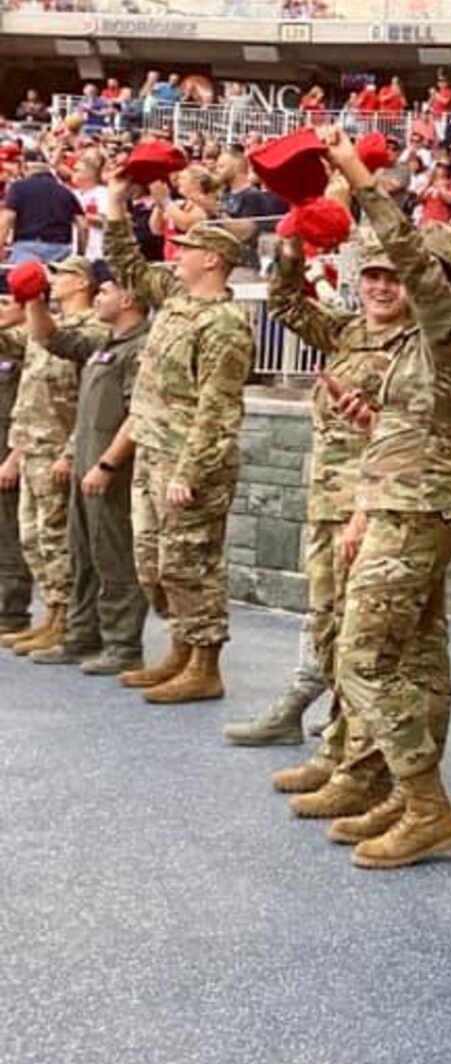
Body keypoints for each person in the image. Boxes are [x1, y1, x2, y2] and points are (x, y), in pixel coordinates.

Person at [304, 129, 451, 869]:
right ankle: (397, 789)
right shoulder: (419, 347)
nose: (398, 281)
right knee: (409, 653)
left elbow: (412, 257)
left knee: (364, 658)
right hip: (399, 500)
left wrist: (357, 176)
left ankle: (426, 807)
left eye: (417, 277)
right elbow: (412, 426)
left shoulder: (450, 337)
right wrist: (370, 429)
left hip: (417, 509)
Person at [253, 209, 410, 814]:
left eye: (393, 278)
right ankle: (334, 748)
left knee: (357, 634)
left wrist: (364, 508)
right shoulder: (348, 332)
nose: (380, 287)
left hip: (368, 506)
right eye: (372, 276)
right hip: (328, 501)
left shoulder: (412, 346)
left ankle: (356, 760)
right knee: (325, 622)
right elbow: (288, 307)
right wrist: (292, 236)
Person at [101, 197, 253, 706]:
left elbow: (218, 406)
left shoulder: (224, 322)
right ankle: (181, 647)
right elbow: (128, 264)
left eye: (187, 248)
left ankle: (205, 664)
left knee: (190, 564)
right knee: (153, 564)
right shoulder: (177, 299)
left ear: (212, 259)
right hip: (153, 451)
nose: (177, 254)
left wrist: (190, 470)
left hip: (190, 462)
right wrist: (116, 204)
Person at [17, 259, 147, 673]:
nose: (100, 297)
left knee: (114, 556)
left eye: (106, 291)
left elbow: (138, 414)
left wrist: (107, 464)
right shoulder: (106, 344)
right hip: (85, 459)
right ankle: (81, 634)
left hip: (109, 468)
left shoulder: (138, 348)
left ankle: (122, 645)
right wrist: (33, 299)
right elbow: (54, 340)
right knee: (82, 554)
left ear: (127, 299)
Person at [0, 256, 99, 659]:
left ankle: (67, 620)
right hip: (33, 446)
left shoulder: (92, 328)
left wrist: (70, 451)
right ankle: (52, 614)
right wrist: (30, 299)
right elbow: (28, 335)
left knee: (58, 540)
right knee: (34, 538)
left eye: (60, 276)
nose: (53, 281)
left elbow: (89, 400)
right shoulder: (47, 326)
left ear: (82, 283)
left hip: (59, 446)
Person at [0, 295, 33, 637]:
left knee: (11, 533)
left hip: (13, 449)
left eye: (6, 301)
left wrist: (15, 457)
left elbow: (34, 408)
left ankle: (12, 612)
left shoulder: (27, 344)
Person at [3, 154, 82, 264]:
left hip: (26, 248)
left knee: (25, 279)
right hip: (60, 250)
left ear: (25, 167)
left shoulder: (18, 188)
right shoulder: (65, 191)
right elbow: (83, 224)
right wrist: (80, 253)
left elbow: (6, 220)